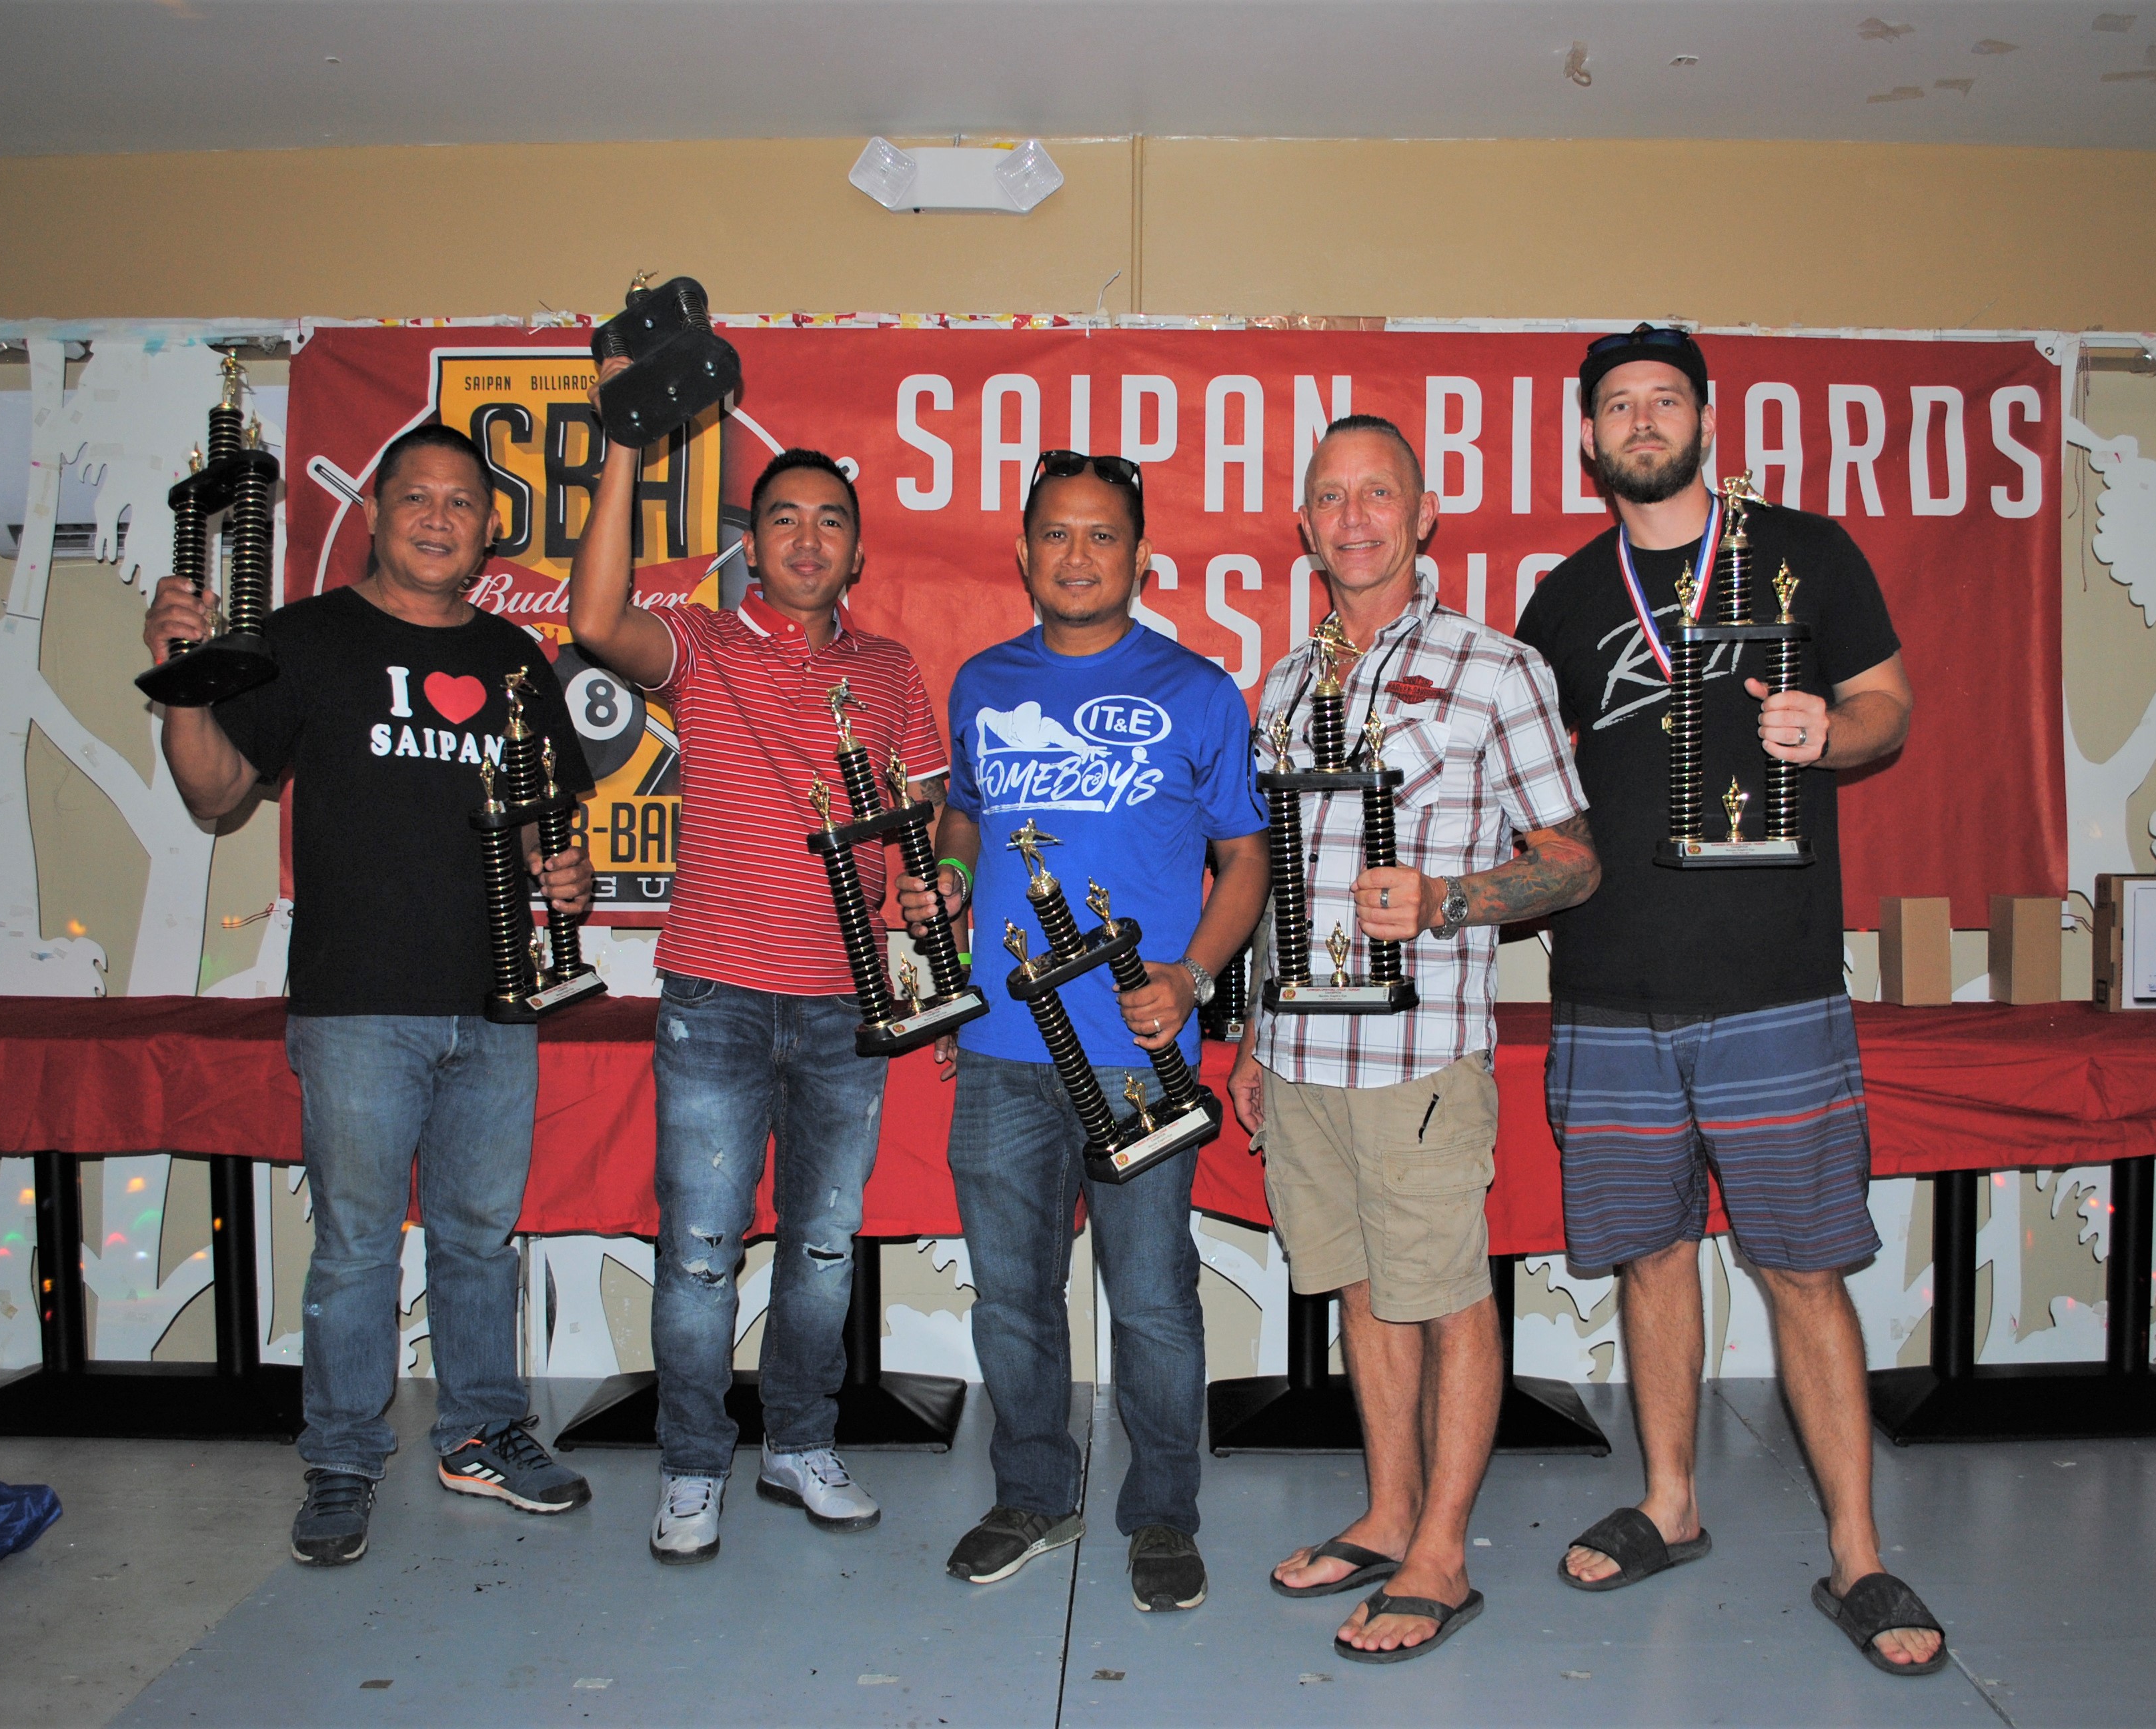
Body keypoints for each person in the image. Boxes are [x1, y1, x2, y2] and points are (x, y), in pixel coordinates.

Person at [1512, 324, 1944, 1676]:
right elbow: (1531, 789)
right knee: (1650, 1256)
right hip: (1607, 989)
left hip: (1772, 983)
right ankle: (1670, 1502)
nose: (1642, 421)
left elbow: (1888, 705)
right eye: (1618, 406)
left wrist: (1832, 730)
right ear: (1590, 439)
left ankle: (1859, 1555)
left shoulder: (1807, 552)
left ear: (1705, 420)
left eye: (1664, 400)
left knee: (1802, 1268)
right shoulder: (1563, 600)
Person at [143, 422, 597, 1568]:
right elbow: (215, 793)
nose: (439, 518)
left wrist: (564, 868)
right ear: (377, 513)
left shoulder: (513, 657)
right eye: (417, 498)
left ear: (488, 531)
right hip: (354, 1003)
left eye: (462, 502)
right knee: (354, 1245)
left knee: (479, 1240)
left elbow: (544, 821)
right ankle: (342, 1458)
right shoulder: (304, 640)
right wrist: (183, 682)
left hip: (497, 1000)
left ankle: (481, 1432)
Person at [1233, 416, 1600, 1662]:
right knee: (1362, 1285)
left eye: (1377, 493)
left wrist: (1448, 899)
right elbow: (1280, 882)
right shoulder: (1286, 685)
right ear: (1304, 522)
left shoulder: (1496, 670)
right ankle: (1389, 1512)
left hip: (1419, 1055)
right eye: (1330, 497)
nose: (1354, 519)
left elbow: (1573, 863)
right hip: (1302, 1057)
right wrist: (1255, 1034)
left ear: (1425, 513)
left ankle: (1442, 1552)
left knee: (1444, 1294)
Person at [568, 359, 946, 1564]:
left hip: (846, 1004)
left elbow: (928, 822)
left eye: (831, 521)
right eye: (784, 517)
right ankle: (692, 1467)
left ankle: (798, 1444)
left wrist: (934, 884)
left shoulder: (891, 674)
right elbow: (593, 621)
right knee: (700, 1252)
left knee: (824, 1249)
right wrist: (625, 441)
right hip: (718, 998)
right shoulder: (700, 646)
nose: (807, 538)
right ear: (752, 543)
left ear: (857, 553)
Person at [896, 450, 1268, 1612]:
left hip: (1137, 1059)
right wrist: (953, 881)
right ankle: (1031, 1495)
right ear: (1023, 553)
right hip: (1002, 1053)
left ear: (1140, 556)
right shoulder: (982, 681)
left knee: (1150, 1299)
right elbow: (964, 815)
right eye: (1056, 533)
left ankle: (1161, 1513)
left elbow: (1247, 859)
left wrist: (1193, 979)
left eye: (1102, 535)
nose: (1077, 555)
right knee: (1012, 1297)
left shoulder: (1199, 689)